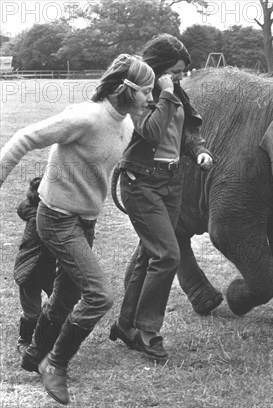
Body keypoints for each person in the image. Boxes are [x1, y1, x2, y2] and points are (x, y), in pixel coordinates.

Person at [0, 53, 155, 405]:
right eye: (146, 91)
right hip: (55, 219)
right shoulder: (85, 117)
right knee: (100, 294)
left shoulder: (127, 123)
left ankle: (33, 354)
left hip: (85, 220)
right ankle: (55, 364)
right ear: (125, 90)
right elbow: (24, 137)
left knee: (67, 296)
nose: (150, 97)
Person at [109, 34, 214, 361]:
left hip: (171, 180)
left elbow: (183, 131)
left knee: (147, 255)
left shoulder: (174, 92)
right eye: (178, 71)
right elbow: (152, 131)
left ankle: (125, 325)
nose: (183, 76)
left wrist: (198, 150)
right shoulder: (138, 93)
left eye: (184, 71)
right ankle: (147, 331)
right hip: (141, 181)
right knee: (167, 255)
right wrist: (166, 91)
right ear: (162, 68)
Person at [14, 177, 57, 354]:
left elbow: (23, 206)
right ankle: (24, 341)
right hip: (30, 270)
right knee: (32, 311)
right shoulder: (41, 220)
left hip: (45, 270)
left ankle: (46, 337)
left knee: (56, 305)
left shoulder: (31, 209)